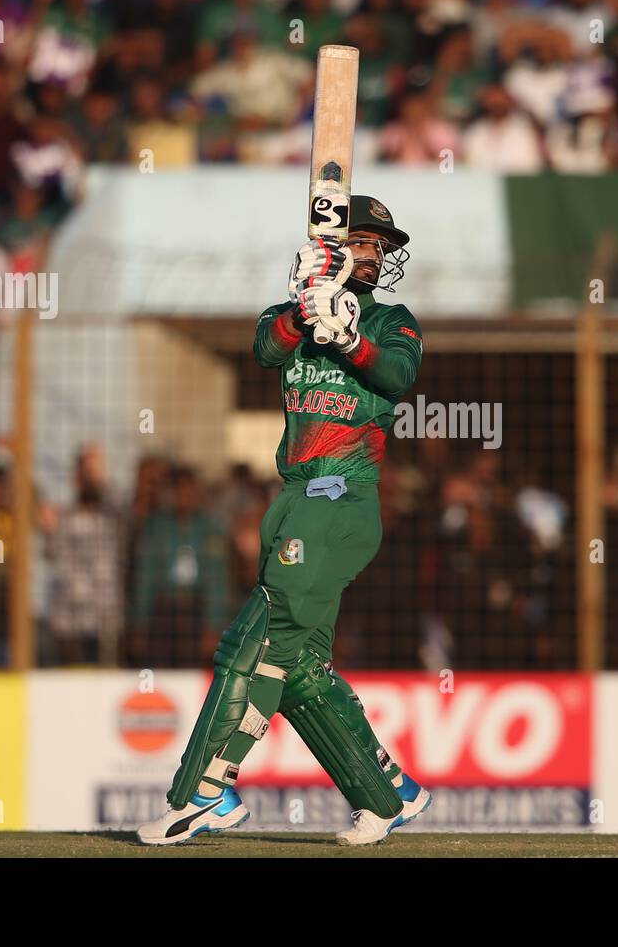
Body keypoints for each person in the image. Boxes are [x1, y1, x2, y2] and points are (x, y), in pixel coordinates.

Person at [139, 196, 431, 847]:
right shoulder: (291, 314)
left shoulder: (393, 320)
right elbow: (265, 348)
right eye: (362, 242)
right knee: (297, 669)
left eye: (380, 245)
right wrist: (308, 307)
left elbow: (397, 375)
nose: (375, 255)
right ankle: (388, 794)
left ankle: (202, 793)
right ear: (329, 245)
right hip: (296, 497)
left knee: (255, 639)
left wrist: (349, 337)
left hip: (343, 497)